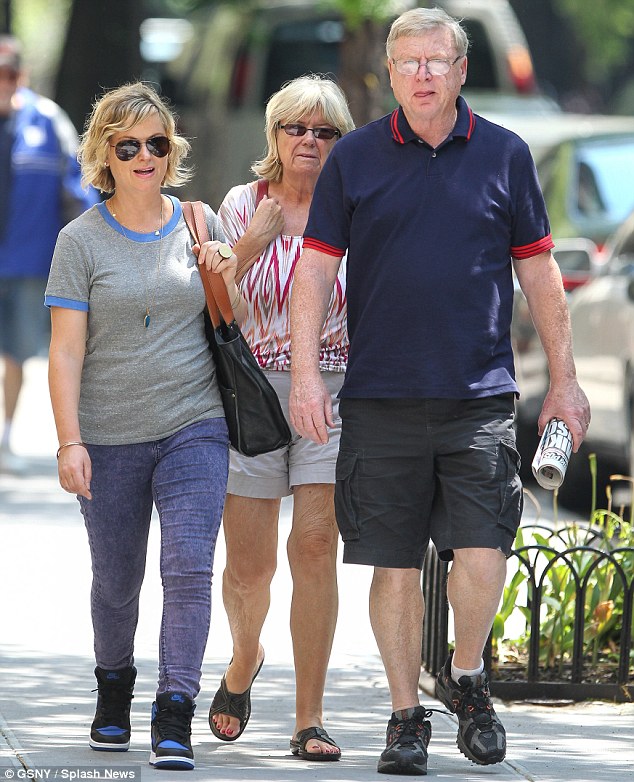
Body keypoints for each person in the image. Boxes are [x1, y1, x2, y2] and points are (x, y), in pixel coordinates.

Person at [289, 8, 590, 778]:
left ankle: (466, 677)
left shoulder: (506, 154)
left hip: (480, 395)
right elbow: (316, 271)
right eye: (408, 62)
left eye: (437, 61)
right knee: (392, 563)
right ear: (388, 75)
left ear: (460, 70)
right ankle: (404, 718)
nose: (422, 73)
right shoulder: (353, 159)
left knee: (484, 551)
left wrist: (565, 380)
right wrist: (301, 377)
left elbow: (538, 272)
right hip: (380, 397)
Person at [45, 82, 244, 771]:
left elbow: (233, 315)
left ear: (170, 150)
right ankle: (113, 686)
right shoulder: (79, 241)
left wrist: (228, 271)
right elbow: (65, 350)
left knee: (188, 569)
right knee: (117, 580)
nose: (143, 155)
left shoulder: (199, 221)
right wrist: (69, 439)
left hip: (195, 422)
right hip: (107, 433)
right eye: (127, 144)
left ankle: (173, 713)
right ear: (105, 153)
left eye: (156, 143)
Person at [208, 75, 354, 761]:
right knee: (250, 570)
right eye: (298, 128)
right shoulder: (244, 205)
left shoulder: (356, 207)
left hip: (332, 386)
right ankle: (243, 660)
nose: (310, 141)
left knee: (317, 545)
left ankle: (309, 717)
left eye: (325, 132)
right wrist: (252, 245)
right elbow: (215, 307)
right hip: (254, 391)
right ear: (274, 133)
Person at [0, 34, 95, 474]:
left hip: (27, 262)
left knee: (17, 352)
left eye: (9, 74)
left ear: (22, 76)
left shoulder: (48, 121)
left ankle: (5, 436)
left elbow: (77, 189)